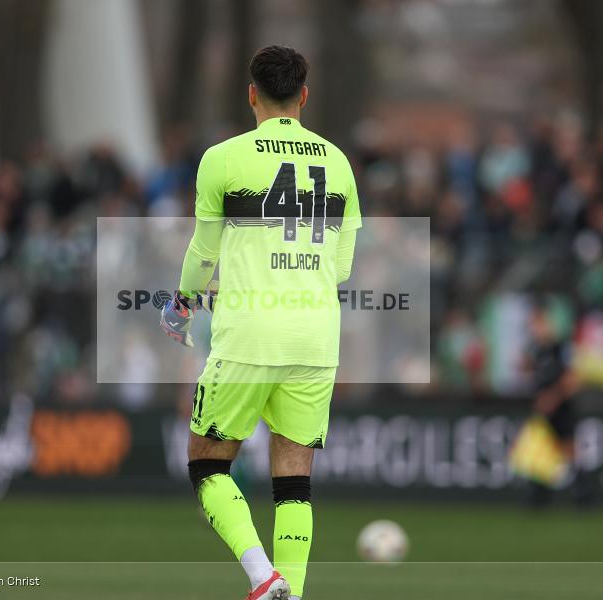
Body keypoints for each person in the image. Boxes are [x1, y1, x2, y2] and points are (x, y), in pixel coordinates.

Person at [160, 45, 361, 600]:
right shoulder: (339, 163)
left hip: (250, 336)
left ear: (251, 94)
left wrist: (184, 302)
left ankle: (262, 576)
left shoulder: (223, 159)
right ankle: (289, 592)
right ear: (304, 96)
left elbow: (203, 250)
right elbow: (339, 267)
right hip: (317, 339)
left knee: (207, 465)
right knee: (294, 480)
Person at [523, 299, 589, 507]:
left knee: (568, 451)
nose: (534, 328)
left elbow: (574, 380)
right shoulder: (536, 351)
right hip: (543, 410)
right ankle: (539, 496)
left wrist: (553, 397)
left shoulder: (561, 348)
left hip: (562, 409)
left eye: (537, 323)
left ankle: (583, 494)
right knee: (540, 452)